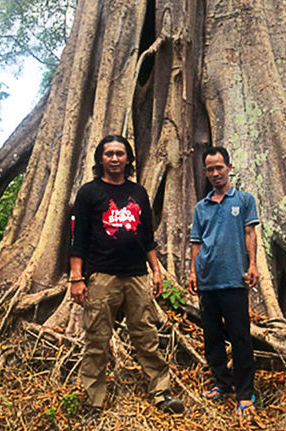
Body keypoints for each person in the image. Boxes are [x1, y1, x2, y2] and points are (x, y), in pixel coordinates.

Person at [69, 135, 184, 420]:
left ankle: (162, 392)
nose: (115, 158)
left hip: (136, 276)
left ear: (129, 159)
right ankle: (93, 400)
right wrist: (76, 278)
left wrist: (156, 270)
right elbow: (78, 238)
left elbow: (147, 237)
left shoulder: (138, 193)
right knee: (97, 339)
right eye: (109, 154)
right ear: (100, 159)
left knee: (146, 336)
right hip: (101, 277)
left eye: (120, 153)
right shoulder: (88, 193)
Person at [188, 146, 260, 418]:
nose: (215, 173)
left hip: (234, 280)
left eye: (219, 167)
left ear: (229, 167)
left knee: (241, 337)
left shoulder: (243, 200)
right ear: (206, 173)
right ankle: (222, 383)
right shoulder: (201, 207)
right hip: (207, 281)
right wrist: (194, 273)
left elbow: (249, 233)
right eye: (210, 169)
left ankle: (244, 392)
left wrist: (252, 264)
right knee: (212, 337)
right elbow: (196, 242)